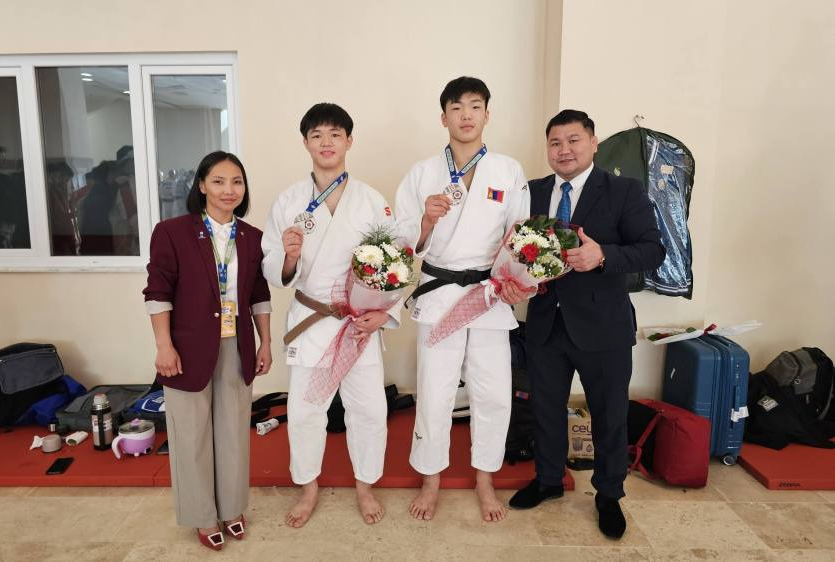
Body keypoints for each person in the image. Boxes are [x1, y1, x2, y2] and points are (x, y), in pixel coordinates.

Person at [503, 110, 665, 539]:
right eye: (555, 143)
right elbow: (514, 249)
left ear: (593, 143)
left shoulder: (623, 191)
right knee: (544, 410)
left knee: (609, 416)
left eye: (573, 140)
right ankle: (548, 480)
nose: (564, 150)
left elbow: (653, 250)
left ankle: (608, 494)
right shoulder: (532, 192)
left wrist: (603, 255)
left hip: (604, 327)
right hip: (545, 324)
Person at [394, 76, 530, 522]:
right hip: (439, 293)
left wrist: (516, 280)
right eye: (456, 107)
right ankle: (431, 478)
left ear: (487, 114)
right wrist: (425, 222)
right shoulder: (422, 173)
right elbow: (401, 241)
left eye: (474, 106)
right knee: (435, 390)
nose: (466, 115)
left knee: (493, 393)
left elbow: (521, 236)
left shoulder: (507, 170)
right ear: (443, 117)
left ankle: (484, 479)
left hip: (489, 295)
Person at [261, 103, 400, 528]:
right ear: (305, 142)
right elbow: (272, 267)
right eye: (317, 135)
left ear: (349, 142)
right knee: (305, 411)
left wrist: (384, 314)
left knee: (369, 409)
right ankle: (308, 488)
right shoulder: (289, 201)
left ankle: (365, 485)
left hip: (359, 323)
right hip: (313, 319)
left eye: (335, 134)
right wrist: (288, 256)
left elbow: (396, 264)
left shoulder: (371, 200)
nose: (326, 142)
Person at [143, 151, 272, 551]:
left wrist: (265, 342)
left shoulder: (251, 237)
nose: (228, 190)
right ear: (201, 185)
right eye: (218, 181)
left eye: (237, 181)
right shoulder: (172, 232)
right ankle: (202, 514)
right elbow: (157, 291)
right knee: (192, 434)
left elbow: (258, 294)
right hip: (186, 347)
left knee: (233, 431)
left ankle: (231, 508)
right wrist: (163, 346)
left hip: (237, 345)